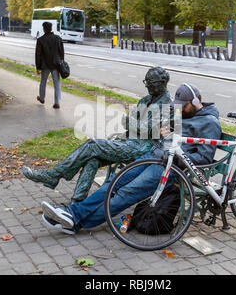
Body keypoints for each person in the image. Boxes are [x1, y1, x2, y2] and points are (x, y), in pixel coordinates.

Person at [40, 84, 222, 234]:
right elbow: (173, 136)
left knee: (126, 193)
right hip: (154, 156)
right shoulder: (185, 114)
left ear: (196, 101)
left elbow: (204, 157)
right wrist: (164, 133)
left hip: (169, 169)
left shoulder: (209, 123)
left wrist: (174, 154)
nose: (179, 108)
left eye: (184, 105)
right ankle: (72, 215)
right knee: (113, 182)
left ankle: (75, 221)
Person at [22, 67, 172, 204]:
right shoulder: (147, 99)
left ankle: (53, 175)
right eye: (146, 81)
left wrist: (133, 123)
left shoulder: (167, 105)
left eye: (150, 82)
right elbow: (128, 121)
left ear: (162, 82)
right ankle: (77, 202)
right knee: (92, 158)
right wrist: (133, 123)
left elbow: (146, 129)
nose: (147, 85)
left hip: (144, 149)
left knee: (92, 145)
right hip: (129, 141)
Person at [35, 22, 65, 109]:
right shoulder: (58, 38)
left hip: (45, 65)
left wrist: (38, 67)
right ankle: (57, 102)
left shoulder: (40, 40)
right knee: (56, 83)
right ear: (51, 28)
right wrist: (61, 62)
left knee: (43, 82)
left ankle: (42, 98)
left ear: (44, 28)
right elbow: (62, 52)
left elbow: (38, 55)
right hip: (56, 64)